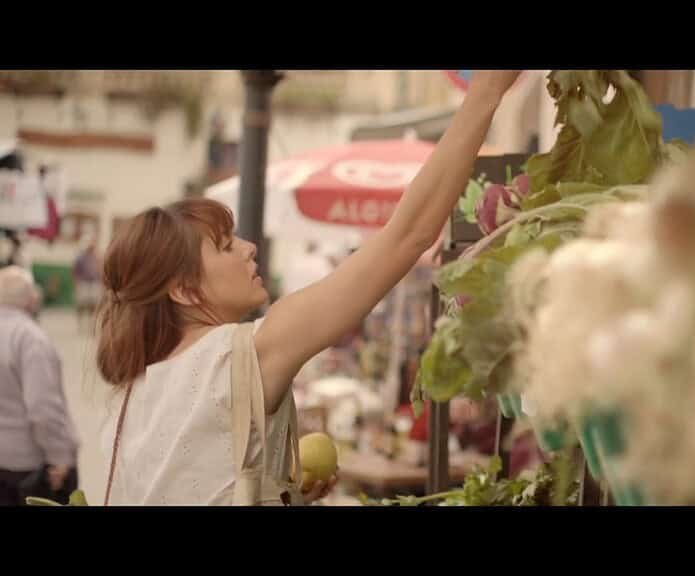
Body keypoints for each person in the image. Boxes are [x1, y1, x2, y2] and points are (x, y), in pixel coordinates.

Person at [94, 71, 522, 505]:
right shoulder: (245, 353)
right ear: (184, 291)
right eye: (225, 246)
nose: (248, 247)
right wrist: (486, 91)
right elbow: (407, 236)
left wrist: (281, 492)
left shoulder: (131, 396)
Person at [0, 266, 79, 506]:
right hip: (25, 469)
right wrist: (59, 457)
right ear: (31, 298)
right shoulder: (30, 338)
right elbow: (42, 408)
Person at [72, 235, 101, 331]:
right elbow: (75, 271)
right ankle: (80, 323)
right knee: (81, 304)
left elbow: (99, 270)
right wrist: (76, 283)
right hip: (83, 283)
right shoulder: (80, 257)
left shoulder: (96, 257)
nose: (92, 245)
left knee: (93, 304)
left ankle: (91, 323)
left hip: (94, 283)